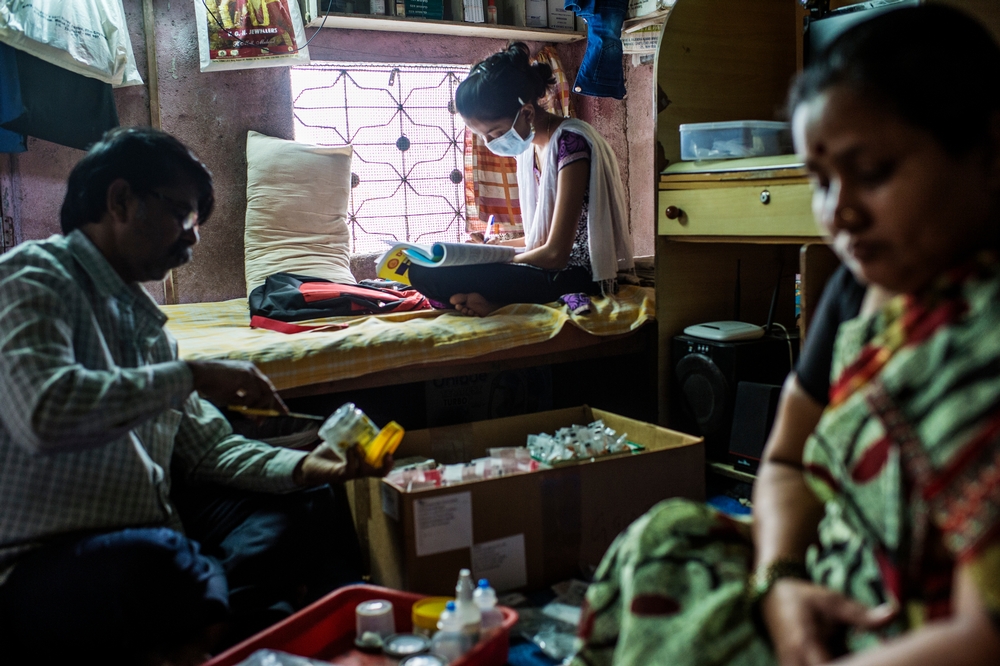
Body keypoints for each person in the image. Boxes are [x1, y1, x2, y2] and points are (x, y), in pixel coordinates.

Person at [572, 6, 1000, 665]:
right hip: (821, 579)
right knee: (663, 542)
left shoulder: (977, 336)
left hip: (909, 631)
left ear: (988, 153)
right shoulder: (865, 295)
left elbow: (984, 634)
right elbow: (786, 461)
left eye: (875, 172)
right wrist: (781, 582)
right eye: (822, 182)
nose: (842, 215)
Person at [0, 127, 391, 665]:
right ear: (120, 201)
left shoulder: (150, 329)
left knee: (303, 498)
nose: (194, 238)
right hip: (48, 562)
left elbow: (210, 450)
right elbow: (45, 413)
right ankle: (237, 622)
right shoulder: (32, 278)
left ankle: (250, 634)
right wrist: (192, 375)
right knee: (159, 560)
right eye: (182, 214)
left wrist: (306, 468)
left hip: (155, 537)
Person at [408, 42, 634, 317]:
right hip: (548, 266)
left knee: (436, 278)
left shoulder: (571, 144)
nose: (490, 143)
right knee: (423, 270)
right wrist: (496, 249)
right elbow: (539, 239)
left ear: (526, 112)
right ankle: (490, 300)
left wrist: (497, 262)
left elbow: (555, 254)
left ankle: (497, 302)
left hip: (574, 274)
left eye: (494, 132)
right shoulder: (532, 149)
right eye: (482, 136)